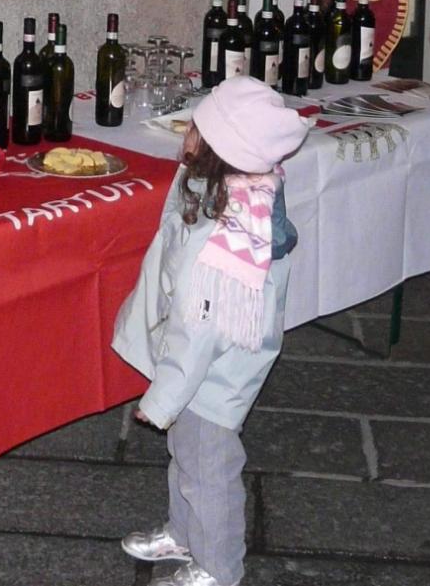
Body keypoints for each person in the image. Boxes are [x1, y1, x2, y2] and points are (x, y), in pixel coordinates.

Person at [112, 76, 309, 586]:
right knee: (187, 456)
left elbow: (198, 334)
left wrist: (161, 399)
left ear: (217, 147)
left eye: (196, 127)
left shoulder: (222, 246)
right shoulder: (240, 191)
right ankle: (184, 532)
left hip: (211, 379)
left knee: (211, 472)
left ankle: (219, 567)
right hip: (208, 366)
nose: (186, 134)